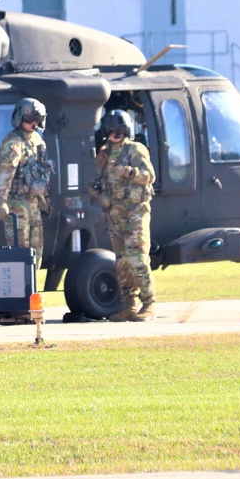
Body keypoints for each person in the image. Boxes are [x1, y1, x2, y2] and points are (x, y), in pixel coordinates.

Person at [90, 109, 157, 322]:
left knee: (136, 255)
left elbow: (149, 176)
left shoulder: (135, 149)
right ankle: (130, 303)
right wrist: (98, 193)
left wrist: (129, 172)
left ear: (126, 130)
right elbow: (98, 181)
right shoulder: (104, 154)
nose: (115, 134)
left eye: (119, 130)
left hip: (136, 210)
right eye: (111, 130)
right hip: (115, 213)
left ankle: (149, 303)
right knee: (121, 261)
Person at [0, 98, 52, 271]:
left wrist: (46, 201)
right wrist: (1, 201)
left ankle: (31, 293)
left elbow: (43, 173)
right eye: (29, 119)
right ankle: (21, 293)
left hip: (35, 203)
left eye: (37, 119)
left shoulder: (38, 140)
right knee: (20, 252)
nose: (33, 123)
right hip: (17, 204)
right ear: (20, 118)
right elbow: (5, 172)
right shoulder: (13, 143)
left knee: (37, 251)